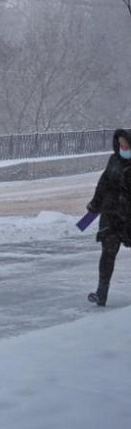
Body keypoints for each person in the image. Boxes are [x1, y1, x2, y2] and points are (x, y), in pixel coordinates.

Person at [85, 128, 131, 306]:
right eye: (120, 144)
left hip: (129, 217)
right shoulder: (113, 160)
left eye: (126, 144)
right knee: (107, 254)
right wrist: (95, 205)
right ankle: (101, 293)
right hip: (111, 215)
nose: (123, 148)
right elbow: (103, 184)